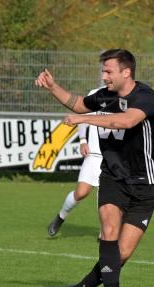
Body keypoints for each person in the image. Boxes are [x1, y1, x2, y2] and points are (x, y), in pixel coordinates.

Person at [36, 49, 154, 287]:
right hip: (112, 178)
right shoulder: (104, 96)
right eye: (103, 71)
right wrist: (53, 87)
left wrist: (84, 120)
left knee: (121, 254)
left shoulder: (144, 96)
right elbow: (80, 102)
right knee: (108, 231)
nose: (104, 76)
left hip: (144, 184)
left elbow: (126, 121)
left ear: (126, 72)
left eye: (108, 71)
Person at [47, 89, 102, 238]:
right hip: (95, 155)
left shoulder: (127, 96)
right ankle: (60, 217)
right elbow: (82, 116)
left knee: (108, 195)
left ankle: (105, 231)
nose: (107, 76)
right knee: (81, 192)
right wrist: (83, 140)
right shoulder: (97, 94)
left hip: (114, 157)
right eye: (105, 71)